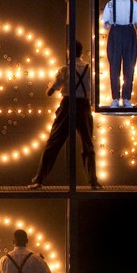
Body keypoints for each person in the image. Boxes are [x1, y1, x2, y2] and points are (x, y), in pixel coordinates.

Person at [28, 40, 100, 189]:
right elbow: (93, 91)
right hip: (84, 106)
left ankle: (39, 179)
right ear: (81, 52)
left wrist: (51, 85)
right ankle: (93, 181)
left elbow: (49, 92)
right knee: (88, 145)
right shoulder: (89, 69)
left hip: (67, 106)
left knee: (54, 143)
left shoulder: (64, 70)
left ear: (68, 52)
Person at [101, 0, 137, 107]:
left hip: (129, 32)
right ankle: (115, 98)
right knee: (114, 66)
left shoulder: (134, 5)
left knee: (129, 66)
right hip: (115, 33)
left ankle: (126, 98)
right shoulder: (110, 4)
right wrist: (107, 24)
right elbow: (105, 24)